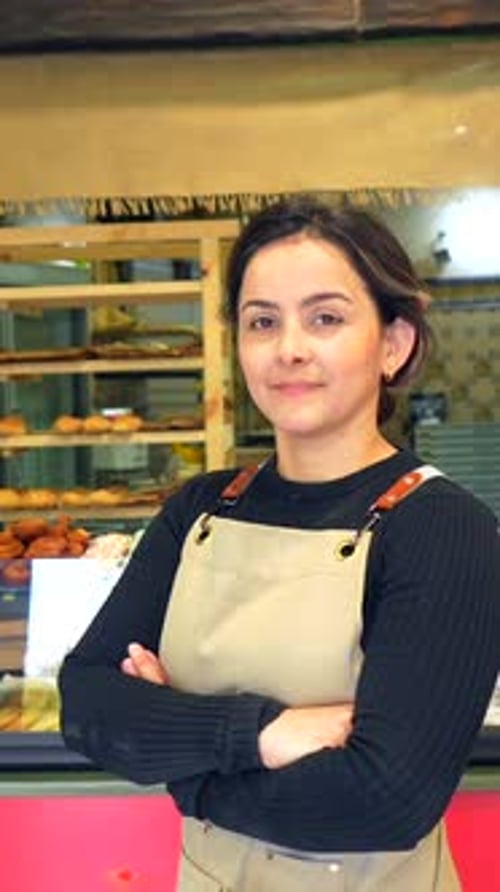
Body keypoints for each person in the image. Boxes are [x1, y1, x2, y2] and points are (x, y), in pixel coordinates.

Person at [59, 195, 500, 892]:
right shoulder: (200, 510)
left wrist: (185, 769)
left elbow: (383, 801)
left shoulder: (443, 527)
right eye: (262, 321)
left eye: (325, 317)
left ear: (394, 342)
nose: (289, 347)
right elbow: (87, 703)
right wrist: (259, 734)